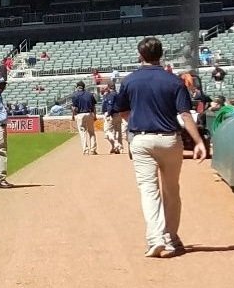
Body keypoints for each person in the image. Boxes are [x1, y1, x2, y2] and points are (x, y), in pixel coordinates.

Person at [113, 36, 207, 258]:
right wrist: (199, 141)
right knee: (171, 190)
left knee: (149, 191)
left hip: (141, 139)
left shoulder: (129, 80)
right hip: (169, 139)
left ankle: (155, 238)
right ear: (161, 55)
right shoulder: (173, 81)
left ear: (140, 55)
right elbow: (185, 114)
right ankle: (171, 239)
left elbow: (123, 111)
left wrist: (135, 122)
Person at [70, 82, 98, 155]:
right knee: (91, 132)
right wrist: (95, 115)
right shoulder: (90, 94)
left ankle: (85, 150)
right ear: (84, 87)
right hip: (89, 113)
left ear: (77, 87)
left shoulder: (75, 95)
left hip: (80, 115)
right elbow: (94, 106)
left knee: (83, 133)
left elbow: (73, 108)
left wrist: (73, 116)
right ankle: (93, 150)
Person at [101, 81, 128, 155]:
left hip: (111, 114)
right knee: (118, 131)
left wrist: (108, 114)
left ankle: (116, 144)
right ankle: (120, 148)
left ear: (109, 87)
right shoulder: (118, 94)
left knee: (107, 131)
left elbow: (110, 105)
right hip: (119, 114)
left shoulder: (111, 94)